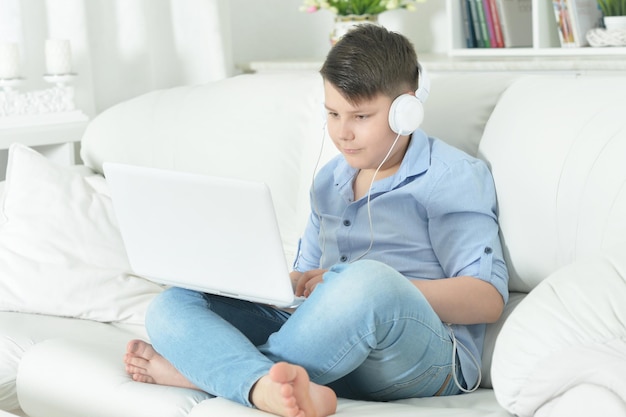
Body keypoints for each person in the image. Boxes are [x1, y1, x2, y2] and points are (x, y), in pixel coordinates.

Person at [124, 24, 509, 417]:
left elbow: (487, 299)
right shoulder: (330, 179)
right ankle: (260, 384)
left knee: (364, 280)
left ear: (406, 110)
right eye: (333, 113)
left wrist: (355, 286)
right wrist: (284, 282)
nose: (343, 132)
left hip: (423, 357)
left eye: (361, 115)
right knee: (173, 303)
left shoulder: (450, 176)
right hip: (328, 351)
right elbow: (304, 280)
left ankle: (216, 373)